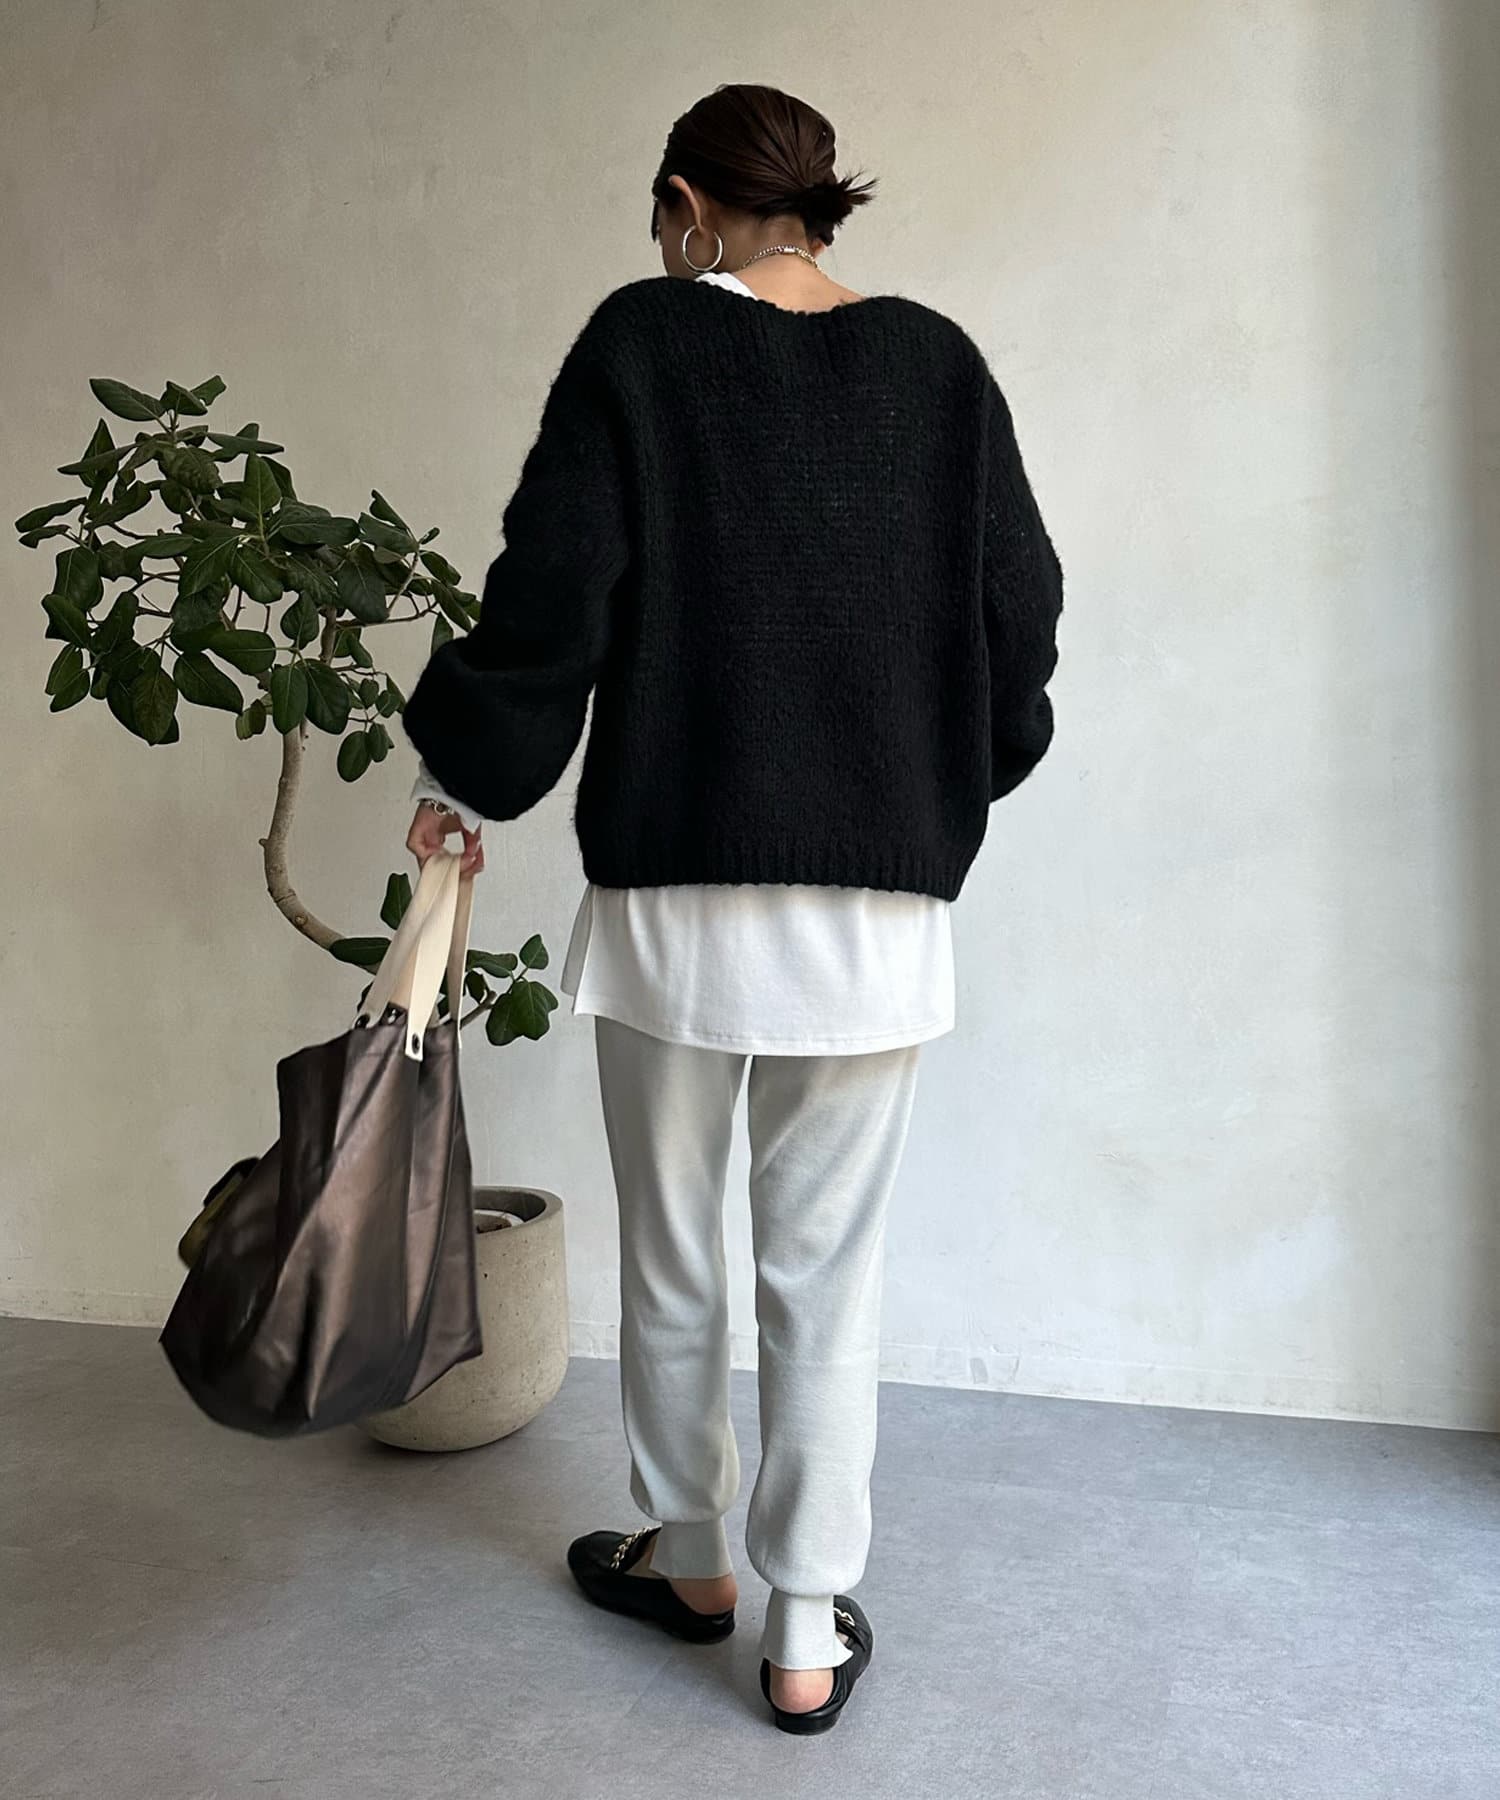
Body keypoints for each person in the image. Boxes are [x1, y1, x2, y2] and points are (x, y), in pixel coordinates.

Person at [402, 81, 1063, 1735]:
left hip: (676, 894)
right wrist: (944, 784)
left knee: (678, 1241)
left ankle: (692, 1554)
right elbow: (1024, 613)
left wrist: (468, 780)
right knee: (828, 1270)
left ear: (688, 205)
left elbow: (551, 590)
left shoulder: (644, 345)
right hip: (875, 915)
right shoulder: (939, 366)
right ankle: (805, 1628)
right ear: (820, 207)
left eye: (660, 219)